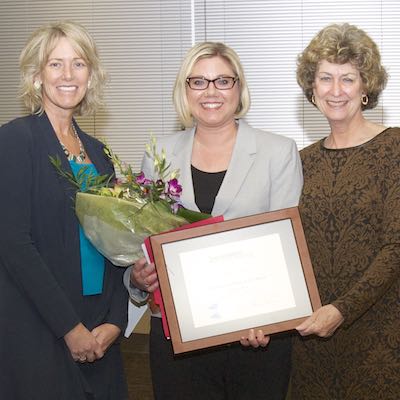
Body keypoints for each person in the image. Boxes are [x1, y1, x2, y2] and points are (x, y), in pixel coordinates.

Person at [124, 42, 303, 400]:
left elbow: (286, 250)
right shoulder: (158, 154)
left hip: (255, 336)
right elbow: (143, 242)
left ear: (239, 88)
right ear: (184, 89)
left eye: (223, 81)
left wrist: (269, 318)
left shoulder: (278, 151)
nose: (211, 92)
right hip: (178, 332)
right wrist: (138, 277)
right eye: (198, 82)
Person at [246, 23, 400, 399]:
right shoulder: (300, 161)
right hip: (311, 339)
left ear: (366, 87)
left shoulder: (395, 148)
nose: (335, 90)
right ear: (311, 88)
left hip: (380, 336)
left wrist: (342, 310)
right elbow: (280, 248)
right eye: (325, 78)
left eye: (348, 79)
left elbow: (396, 247)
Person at [0, 21, 128, 400]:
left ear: (91, 74)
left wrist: (116, 322)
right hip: (40, 328)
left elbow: (116, 247)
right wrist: (69, 328)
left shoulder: (100, 154)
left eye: (78, 63)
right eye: (55, 64)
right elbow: (13, 244)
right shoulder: (15, 139)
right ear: (37, 75)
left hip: (99, 329)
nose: (68, 75)